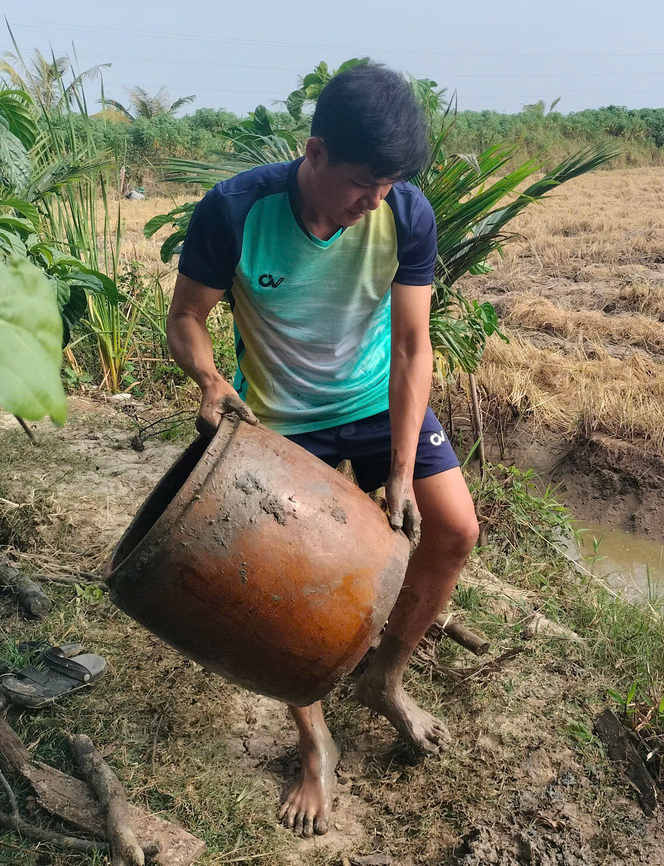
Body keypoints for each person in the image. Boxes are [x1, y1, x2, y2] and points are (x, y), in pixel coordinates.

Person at [164, 64, 479, 837]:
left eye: (388, 183)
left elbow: (412, 346)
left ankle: (385, 678)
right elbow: (186, 318)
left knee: (453, 530)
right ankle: (314, 744)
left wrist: (400, 471)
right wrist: (207, 379)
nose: (374, 198)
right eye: (362, 181)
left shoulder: (405, 213)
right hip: (278, 415)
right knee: (276, 587)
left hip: (376, 403)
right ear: (314, 151)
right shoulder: (237, 209)